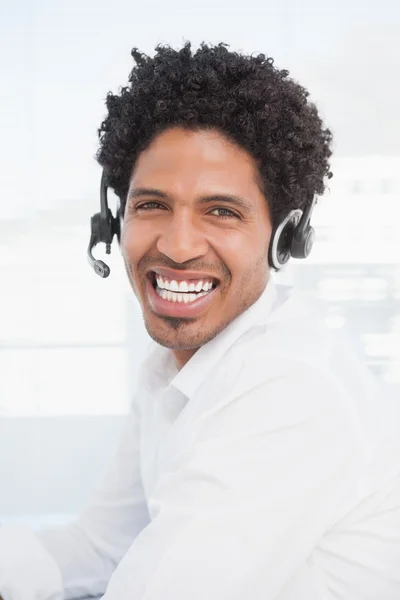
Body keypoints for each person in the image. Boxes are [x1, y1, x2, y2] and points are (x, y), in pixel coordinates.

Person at [1, 41, 399, 600]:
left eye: (221, 212)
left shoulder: (290, 388)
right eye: (151, 205)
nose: (178, 245)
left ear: (283, 238)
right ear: (115, 220)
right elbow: (101, 551)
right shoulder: (172, 364)